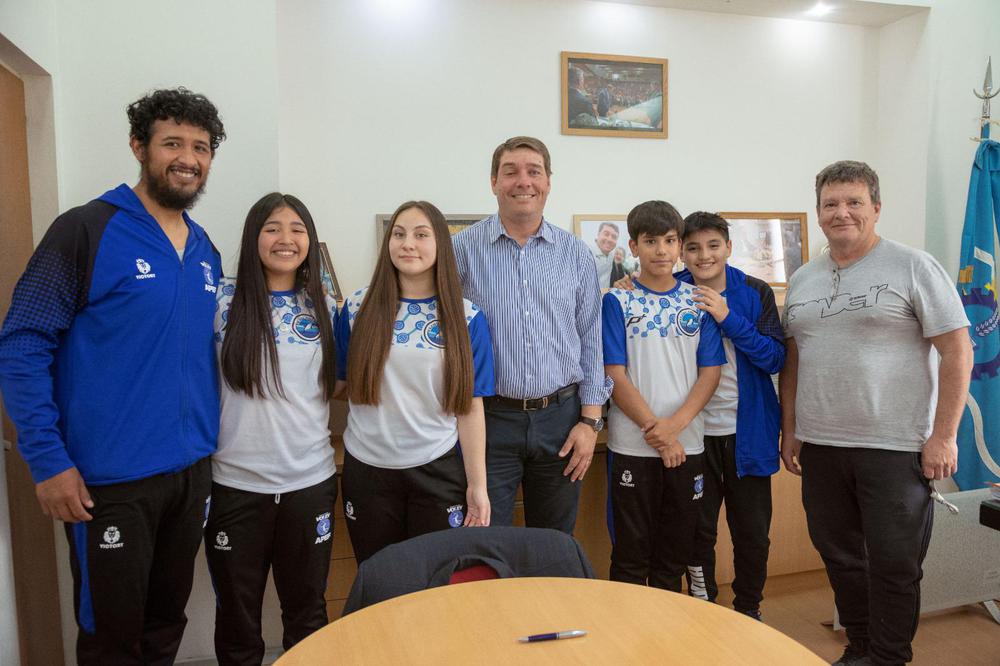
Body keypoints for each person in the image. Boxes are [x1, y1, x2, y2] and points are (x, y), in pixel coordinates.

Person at [0, 87, 225, 664]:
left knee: (164, 626)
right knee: (111, 638)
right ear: (138, 147)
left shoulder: (205, 251)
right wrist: (47, 460)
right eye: (172, 142)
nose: (187, 158)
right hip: (109, 482)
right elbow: (22, 342)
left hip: (189, 474)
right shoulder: (86, 230)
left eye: (200, 147)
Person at [780, 161, 973, 666]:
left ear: (876, 208)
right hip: (822, 444)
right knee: (840, 558)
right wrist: (792, 428)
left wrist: (944, 435)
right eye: (830, 204)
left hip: (896, 446)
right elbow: (795, 358)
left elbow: (957, 350)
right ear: (818, 212)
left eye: (853, 202)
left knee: (893, 564)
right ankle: (860, 648)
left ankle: (889, 657)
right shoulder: (803, 278)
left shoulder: (913, 265)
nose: (841, 212)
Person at [453, 136, 611, 534]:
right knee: (486, 541)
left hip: (562, 420)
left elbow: (591, 338)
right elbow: (448, 341)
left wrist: (590, 423)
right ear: (493, 182)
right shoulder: (461, 251)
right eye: (511, 172)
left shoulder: (576, 254)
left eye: (533, 171)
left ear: (548, 182)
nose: (523, 181)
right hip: (489, 421)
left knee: (554, 543)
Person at [207, 193, 338, 664]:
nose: (286, 238)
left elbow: (339, 383)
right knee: (238, 620)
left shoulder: (325, 305)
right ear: (253, 236)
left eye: (297, 228)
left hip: (309, 482)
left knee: (307, 615)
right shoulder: (220, 302)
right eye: (273, 228)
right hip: (234, 486)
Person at [337, 200, 494, 563]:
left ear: (440, 244)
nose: (408, 243)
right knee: (378, 581)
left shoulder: (466, 315)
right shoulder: (357, 308)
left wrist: (477, 485)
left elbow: (471, 406)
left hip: (437, 469)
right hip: (367, 470)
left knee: (437, 585)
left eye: (421, 235)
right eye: (399, 234)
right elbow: (339, 385)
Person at [601, 200, 725, 589]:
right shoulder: (616, 300)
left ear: (679, 245)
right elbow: (614, 374)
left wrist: (673, 430)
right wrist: (656, 430)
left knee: (675, 550)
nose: (661, 250)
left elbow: (710, 372)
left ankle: (666, 642)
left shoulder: (698, 300)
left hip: (686, 443)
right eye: (650, 241)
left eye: (670, 240)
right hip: (632, 444)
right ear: (634, 247)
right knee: (631, 551)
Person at [677, 211, 785, 621]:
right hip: (691, 435)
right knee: (696, 531)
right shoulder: (670, 291)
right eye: (692, 247)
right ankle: (705, 609)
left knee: (752, 534)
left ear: (728, 247)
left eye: (713, 245)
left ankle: (748, 611)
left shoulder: (754, 291)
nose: (704, 255)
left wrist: (726, 316)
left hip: (747, 434)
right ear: (681, 252)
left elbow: (775, 358)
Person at [592, 221, 620, 287]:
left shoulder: (611, 256)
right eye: (606, 234)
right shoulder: (587, 254)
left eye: (614, 237)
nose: (610, 239)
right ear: (598, 234)